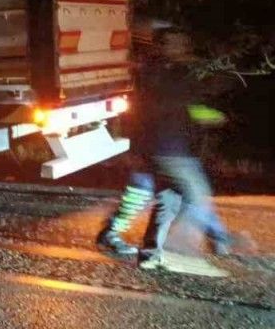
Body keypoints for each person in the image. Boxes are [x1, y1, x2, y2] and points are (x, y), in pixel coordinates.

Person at [97, 28, 234, 267]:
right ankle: (216, 239)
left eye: (182, 43)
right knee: (195, 196)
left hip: (159, 147)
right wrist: (212, 114)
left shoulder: (160, 71)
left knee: (165, 198)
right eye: (174, 43)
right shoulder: (166, 74)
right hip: (169, 149)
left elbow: (185, 106)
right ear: (162, 47)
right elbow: (182, 105)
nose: (181, 48)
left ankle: (149, 252)